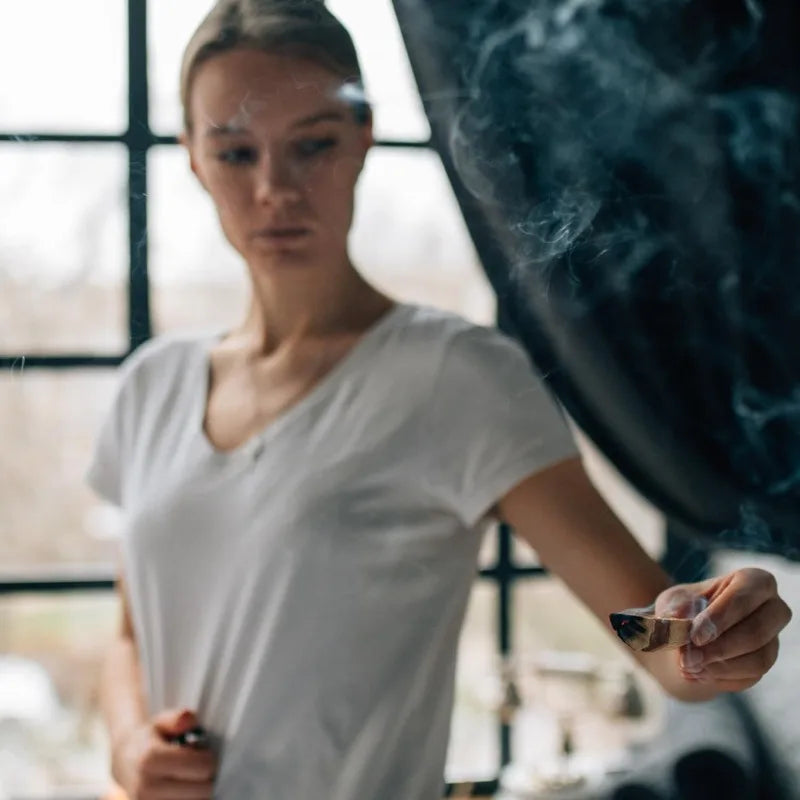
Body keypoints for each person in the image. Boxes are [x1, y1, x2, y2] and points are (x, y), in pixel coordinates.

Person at [87, 1, 792, 798]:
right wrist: (126, 745)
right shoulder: (151, 386)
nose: (275, 188)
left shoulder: (456, 378)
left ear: (363, 138)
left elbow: (651, 640)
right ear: (191, 157)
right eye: (236, 152)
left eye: (312, 144)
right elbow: (130, 634)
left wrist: (711, 633)